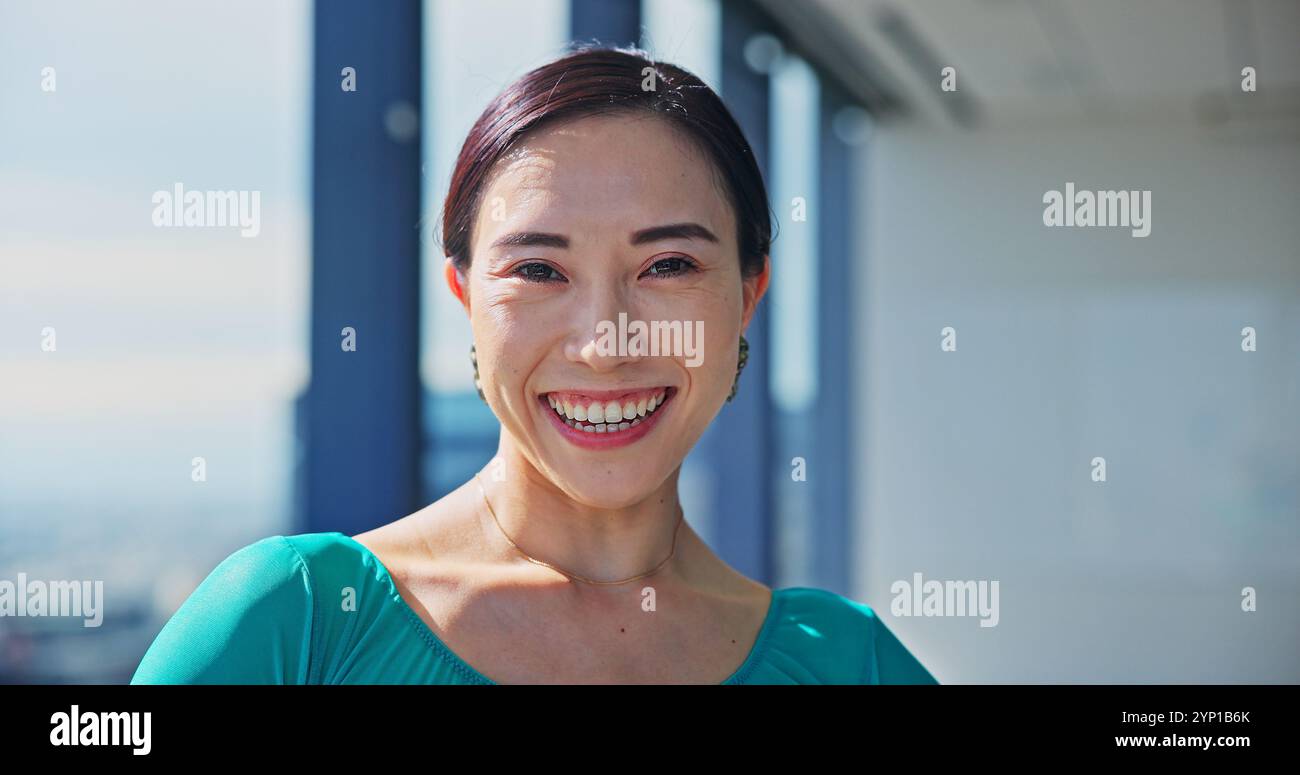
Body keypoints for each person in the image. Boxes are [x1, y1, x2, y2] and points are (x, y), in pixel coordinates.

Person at [131, 45, 937, 685]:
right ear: (464, 294)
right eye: (539, 272)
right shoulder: (300, 622)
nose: (604, 342)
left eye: (668, 267)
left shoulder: (844, 661)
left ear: (748, 295)